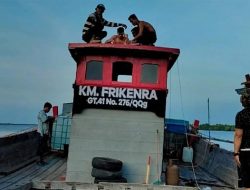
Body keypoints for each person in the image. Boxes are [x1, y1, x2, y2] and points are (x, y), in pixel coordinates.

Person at [234, 81, 250, 189]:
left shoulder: (241, 115)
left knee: (247, 182)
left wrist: (235, 153)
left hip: (246, 151)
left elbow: (238, 136)